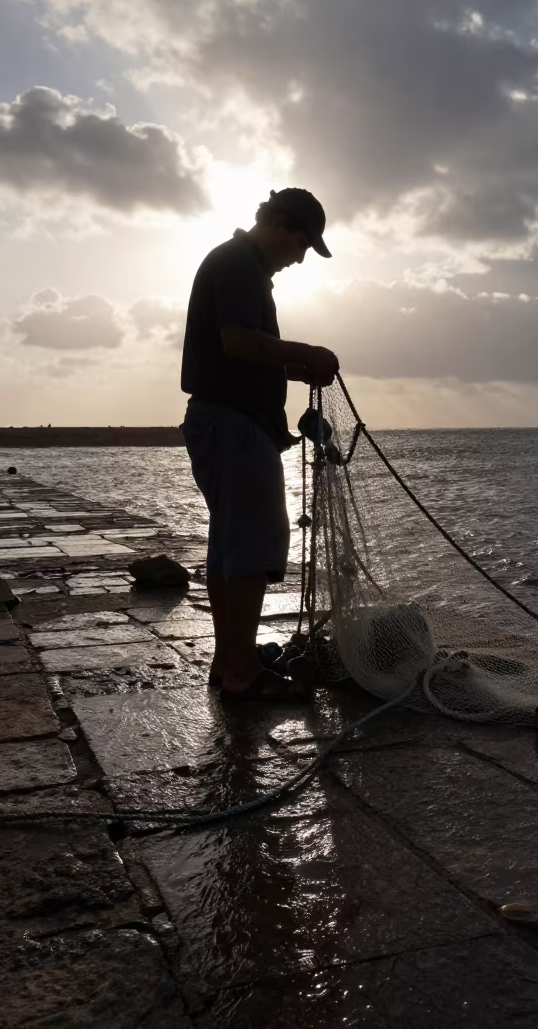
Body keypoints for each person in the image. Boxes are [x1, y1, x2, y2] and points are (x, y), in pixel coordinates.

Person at [180, 188, 339, 702]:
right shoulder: (239, 265)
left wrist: (296, 368)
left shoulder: (237, 266)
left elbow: (244, 355)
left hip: (220, 423)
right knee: (251, 547)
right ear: (277, 224)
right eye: (301, 244)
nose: (299, 258)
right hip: (235, 426)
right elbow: (239, 343)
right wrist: (308, 350)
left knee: (229, 548)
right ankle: (244, 670)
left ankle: (228, 662)